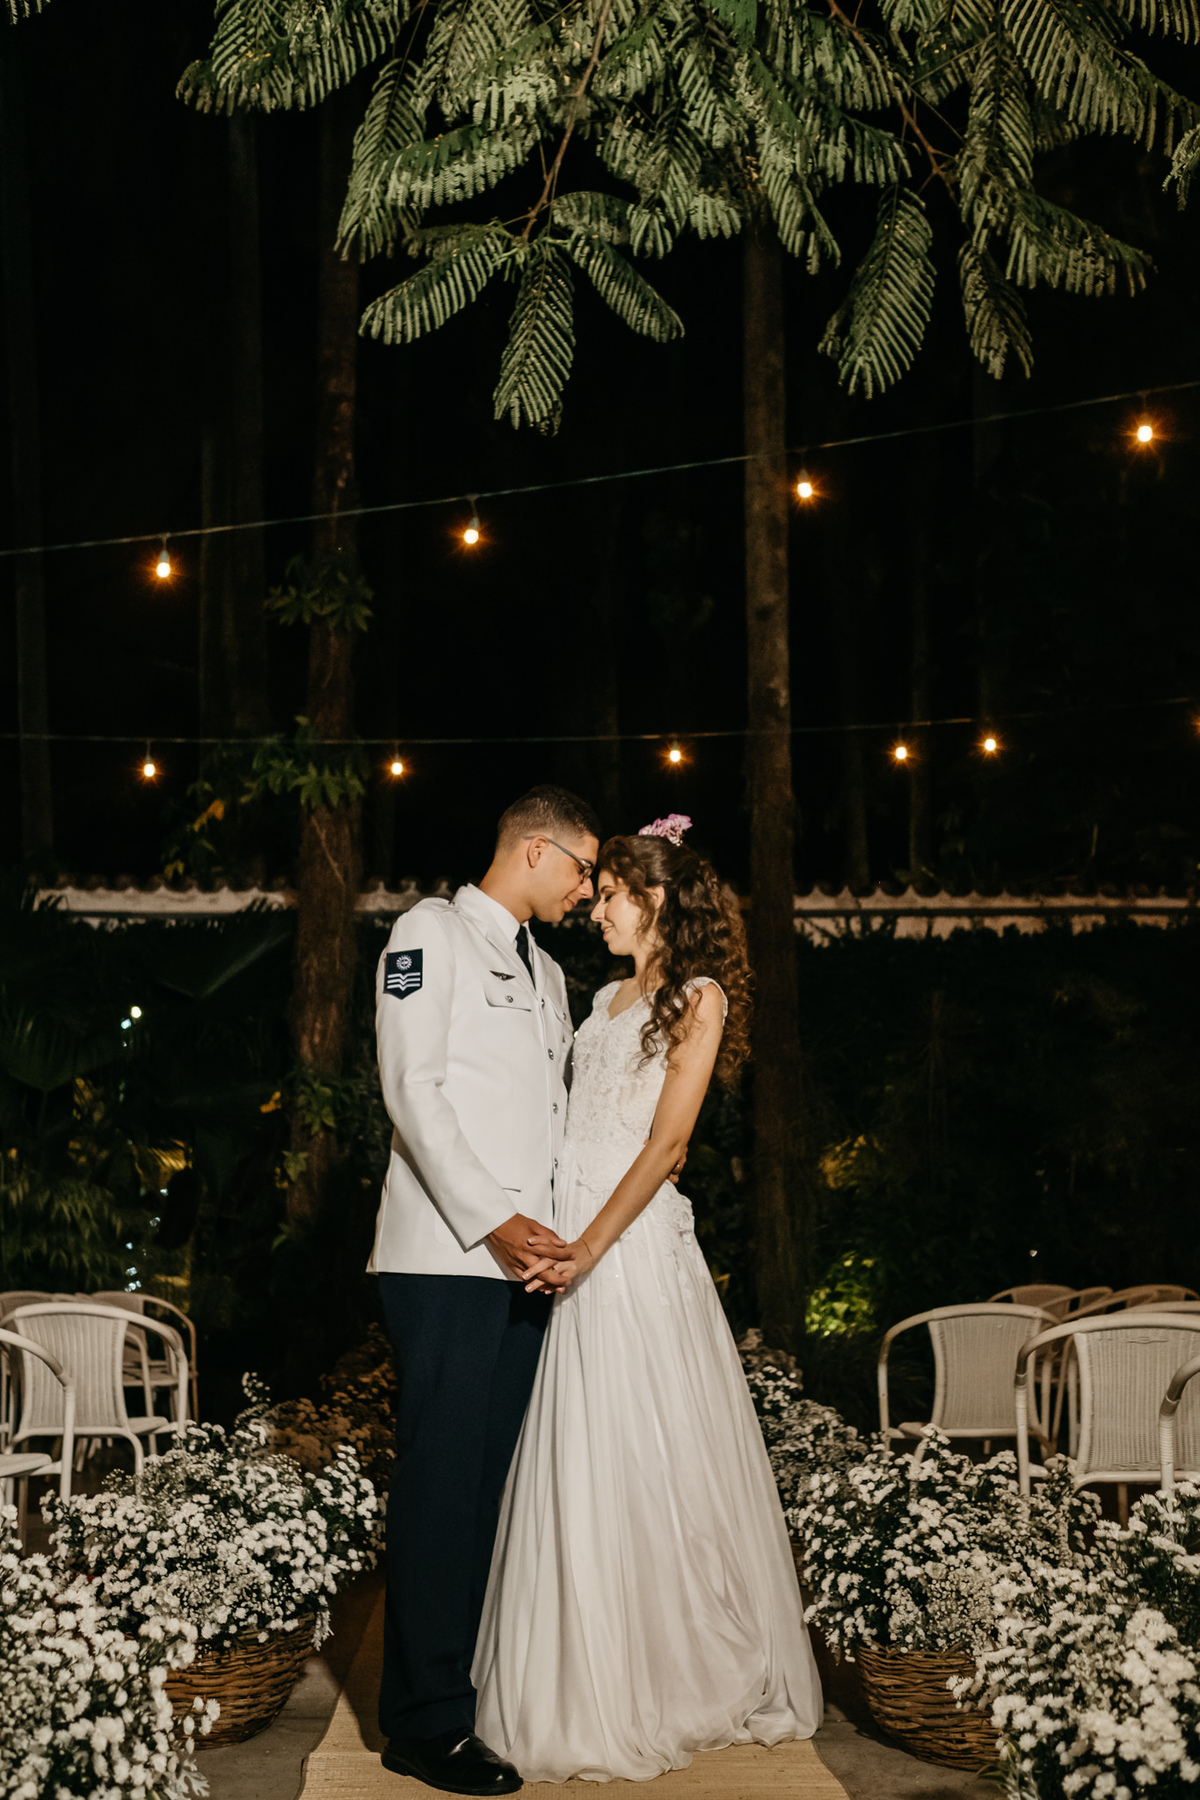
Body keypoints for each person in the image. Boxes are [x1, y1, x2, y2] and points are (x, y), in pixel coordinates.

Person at [472, 815, 823, 1782]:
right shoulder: (600, 1000)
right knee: (578, 1452)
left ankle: (672, 1671)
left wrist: (586, 1247)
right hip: (569, 1246)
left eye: (615, 894)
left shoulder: (696, 999)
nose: (596, 910)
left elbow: (665, 1149)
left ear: (658, 899)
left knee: (644, 1452)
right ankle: (580, 1668)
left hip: (628, 1254)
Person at [371, 785, 601, 1797]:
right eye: (585, 868)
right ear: (540, 850)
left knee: (485, 1497)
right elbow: (411, 1089)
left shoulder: (547, 972)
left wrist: (557, 1241)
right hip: (445, 1257)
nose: (590, 890)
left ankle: (453, 1698)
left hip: (525, 1266)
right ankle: (421, 1722)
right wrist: (497, 1222)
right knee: (440, 1486)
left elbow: (543, 1120)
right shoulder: (429, 934)